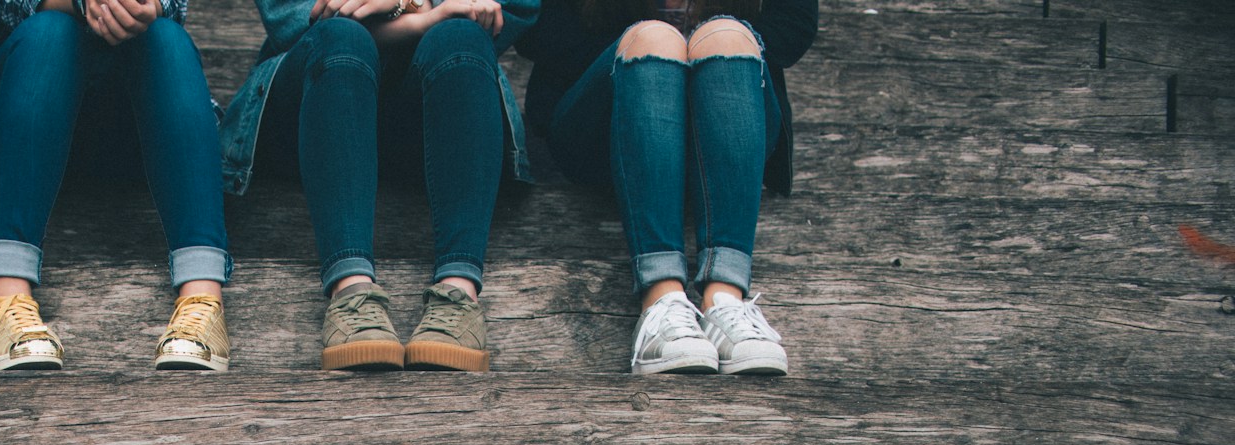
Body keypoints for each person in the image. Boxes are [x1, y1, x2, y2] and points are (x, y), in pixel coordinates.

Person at [221, 0, 537, 371]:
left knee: (461, 35)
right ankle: (351, 289)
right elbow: (297, 18)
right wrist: (423, 16)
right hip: (320, 95)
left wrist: (414, 5)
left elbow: (510, 10)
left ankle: (459, 292)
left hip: (434, 99)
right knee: (340, 37)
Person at [522, 0, 817, 373]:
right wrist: (662, 69)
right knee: (655, 38)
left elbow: (795, 26)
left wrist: (700, 59)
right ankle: (661, 302)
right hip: (607, 115)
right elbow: (539, 31)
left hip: (729, 107)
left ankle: (725, 301)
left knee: (725, 35)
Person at [0, 0, 232, 372]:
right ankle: (6, 298)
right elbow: (13, 7)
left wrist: (147, 6)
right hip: (17, 107)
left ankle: (202, 299)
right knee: (51, 29)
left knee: (165, 34)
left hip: (122, 125)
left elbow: (172, 7)